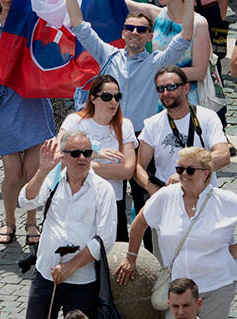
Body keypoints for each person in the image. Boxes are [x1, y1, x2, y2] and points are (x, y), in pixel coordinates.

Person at [64, 0, 195, 135]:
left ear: (150, 36)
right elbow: (79, 26)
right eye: (129, 28)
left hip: (141, 136)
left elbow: (185, 36)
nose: (134, 32)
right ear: (123, 34)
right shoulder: (107, 54)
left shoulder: (157, 63)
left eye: (141, 29)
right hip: (107, 133)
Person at [0, 0, 54, 246]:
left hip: (32, 101)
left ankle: (31, 222)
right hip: (3, 103)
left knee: (33, 173)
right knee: (12, 174)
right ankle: (8, 220)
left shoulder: (31, 23)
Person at [115, 146, 237, 319]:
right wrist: (131, 256)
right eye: (180, 169)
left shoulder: (225, 200)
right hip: (178, 290)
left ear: (206, 174)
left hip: (216, 286)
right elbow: (139, 222)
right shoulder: (165, 196)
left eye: (190, 170)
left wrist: (229, 253)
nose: (183, 175)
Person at [18, 134, 117, 319]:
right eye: (76, 153)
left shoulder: (103, 189)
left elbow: (105, 239)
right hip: (46, 273)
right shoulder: (53, 180)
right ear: (63, 156)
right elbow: (26, 201)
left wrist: (70, 267)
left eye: (87, 153)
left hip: (82, 281)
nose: (82, 158)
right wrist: (42, 171)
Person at [59, 75, 137, 241]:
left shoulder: (125, 125)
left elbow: (128, 170)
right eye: (107, 97)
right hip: (78, 199)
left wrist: (84, 164)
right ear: (93, 98)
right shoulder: (75, 121)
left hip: (113, 202)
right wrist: (94, 154)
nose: (113, 102)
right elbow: (60, 155)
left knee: (112, 256)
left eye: (117, 97)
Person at [135, 66, 230, 194]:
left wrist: (188, 172)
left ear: (186, 88)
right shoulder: (152, 123)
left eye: (171, 87)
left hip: (204, 195)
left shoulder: (207, 117)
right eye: (160, 89)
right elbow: (139, 166)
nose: (166, 93)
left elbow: (223, 156)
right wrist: (153, 190)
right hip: (169, 197)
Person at [130, 0, 213, 104]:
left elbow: (199, 72)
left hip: (187, 99)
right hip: (159, 97)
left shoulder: (199, 23)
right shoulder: (157, 15)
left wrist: (159, 73)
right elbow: (121, 1)